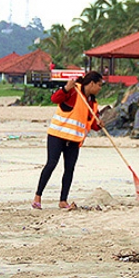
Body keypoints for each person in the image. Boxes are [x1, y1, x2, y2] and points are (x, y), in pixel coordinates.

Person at [32, 71, 104, 210]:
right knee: (51, 164)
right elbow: (55, 99)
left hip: (74, 140)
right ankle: (37, 197)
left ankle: (63, 200)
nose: (100, 88)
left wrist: (99, 125)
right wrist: (66, 88)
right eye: (99, 85)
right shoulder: (74, 90)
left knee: (69, 169)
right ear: (92, 83)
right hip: (57, 135)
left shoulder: (93, 103)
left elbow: (93, 124)